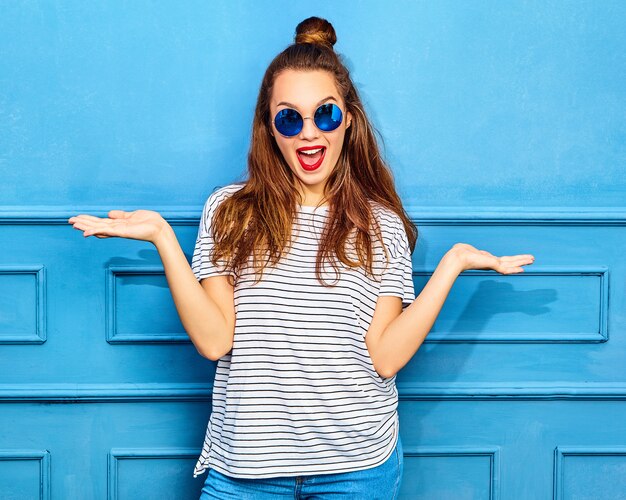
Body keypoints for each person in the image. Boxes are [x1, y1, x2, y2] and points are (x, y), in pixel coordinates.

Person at [68, 16, 534, 500]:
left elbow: (385, 356)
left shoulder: (381, 224)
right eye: (289, 118)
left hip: (358, 470)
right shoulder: (230, 211)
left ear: (348, 118)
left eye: (325, 114)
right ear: (270, 128)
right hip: (245, 470)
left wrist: (452, 264)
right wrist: (165, 238)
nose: (309, 134)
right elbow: (213, 341)